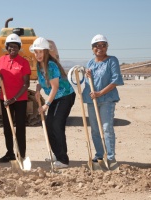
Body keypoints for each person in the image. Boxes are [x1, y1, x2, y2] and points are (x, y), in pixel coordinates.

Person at [31, 37, 76, 169]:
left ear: (46, 52)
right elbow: (42, 80)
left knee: (56, 125)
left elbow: (55, 87)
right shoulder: (39, 65)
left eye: (40, 52)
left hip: (65, 96)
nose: (38, 55)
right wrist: (38, 88)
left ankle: (63, 160)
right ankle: (57, 153)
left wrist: (46, 105)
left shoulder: (50, 65)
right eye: (36, 52)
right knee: (49, 125)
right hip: (56, 97)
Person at [82, 34, 124, 165]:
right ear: (92, 48)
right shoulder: (90, 63)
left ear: (107, 47)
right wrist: (87, 75)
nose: (99, 48)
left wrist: (100, 93)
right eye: (96, 46)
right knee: (95, 129)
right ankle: (99, 154)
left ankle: (110, 157)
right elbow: (89, 82)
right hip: (92, 100)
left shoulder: (112, 60)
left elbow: (116, 80)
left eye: (102, 45)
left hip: (107, 99)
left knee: (106, 128)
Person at [0, 33, 31, 162]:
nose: (12, 49)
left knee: (20, 128)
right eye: (10, 46)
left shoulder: (23, 62)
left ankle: (22, 154)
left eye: (15, 46)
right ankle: (10, 153)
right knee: (7, 128)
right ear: (6, 47)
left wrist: (14, 99)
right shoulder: (2, 60)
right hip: (5, 100)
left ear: (19, 47)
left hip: (19, 100)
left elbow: (26, 84)